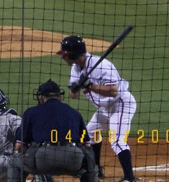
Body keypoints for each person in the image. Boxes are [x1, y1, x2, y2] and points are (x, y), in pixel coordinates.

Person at [57, 36, 137, 182]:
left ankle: (130, 178)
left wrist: (90, 86)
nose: (64, 58)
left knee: (117, 140)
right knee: (89, 134)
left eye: (66, 55)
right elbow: (73, 95)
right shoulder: (76, 68)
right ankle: (96, 169)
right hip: (105, 108)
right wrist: (76, 87)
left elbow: (114, 91)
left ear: (74, 54)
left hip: (121, 104)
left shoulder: (102, 66)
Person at [8, 79, 97, 182]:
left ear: (41, 97)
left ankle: (40, 177)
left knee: (14, 161)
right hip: (72, 159)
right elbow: (87, 145)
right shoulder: (74, 113)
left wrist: (28, 155)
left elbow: (20, 146)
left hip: (43, 160)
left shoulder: (31, 112)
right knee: (90, 165)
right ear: (60, 96)